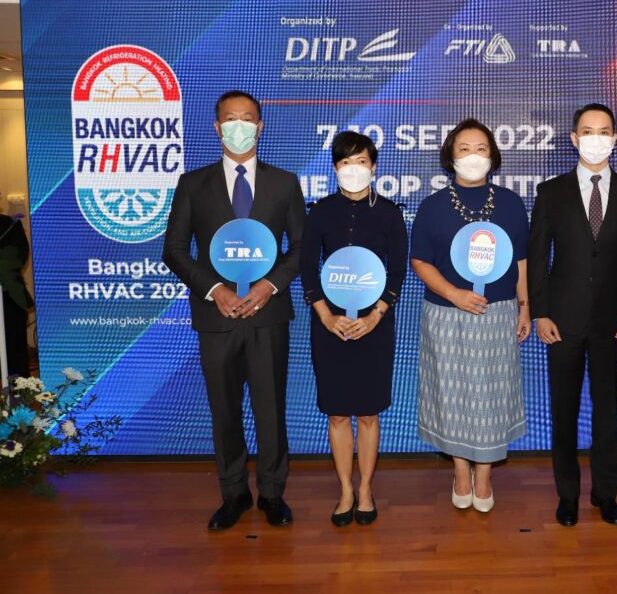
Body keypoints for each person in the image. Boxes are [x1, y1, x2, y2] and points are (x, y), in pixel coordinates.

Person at [163, 90, 306, 531]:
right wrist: (214, 291)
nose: (238, 125)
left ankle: (273, 493)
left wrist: (268, 285)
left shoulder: (285, 183)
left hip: (268, 314)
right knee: (223, 409)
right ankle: (233, 494)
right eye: (230, 118)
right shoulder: (193, 184)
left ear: (260, 126)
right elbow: (174, 249)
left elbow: (301, 248)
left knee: (270, 409)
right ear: (217, 126)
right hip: (217, 316)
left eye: (247, 118)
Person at [528, 103, 617, 527]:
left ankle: (606, 493)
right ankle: (567, 496)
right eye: (587, 131)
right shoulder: (551, 192)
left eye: (604, 131)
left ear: (615, 139)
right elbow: (537, 257)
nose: (595, 138)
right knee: (563, 411)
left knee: (606, 410)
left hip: (613, 320)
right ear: (574, 138)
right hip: (561, 321)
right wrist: (541, 313)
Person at [411, 118, 530, 514]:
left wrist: (525, 306)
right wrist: (454, 293)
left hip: (498, 312)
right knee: (452, 394)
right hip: (446, 313)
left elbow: (521, 260)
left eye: (481, 148)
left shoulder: (510, 203)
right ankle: (460, 471)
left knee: (491, 395)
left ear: (493, 156)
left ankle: (484, 475)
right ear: (450, 156)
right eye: (464, 148)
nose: (473, 156)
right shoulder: (433, 206)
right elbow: (420, 261)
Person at [300, 131, 407, 528]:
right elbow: (307, 268)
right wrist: (326, 316)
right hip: (330, 325)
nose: (353, 168)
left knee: (368, 414)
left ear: (373, 167)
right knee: (337, 414)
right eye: (345, 162)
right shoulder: (320, 212)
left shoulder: (390, 213)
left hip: (374, 324)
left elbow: (397, 271)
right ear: (335, 168)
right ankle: (345, 489)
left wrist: (376, 315)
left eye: (361, 161)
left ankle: (365, 490)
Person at [0, 213, 32, 379]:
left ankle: (19, 392)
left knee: (14, 352)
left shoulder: (10, 225)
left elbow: (20, 256)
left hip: (9, 299)